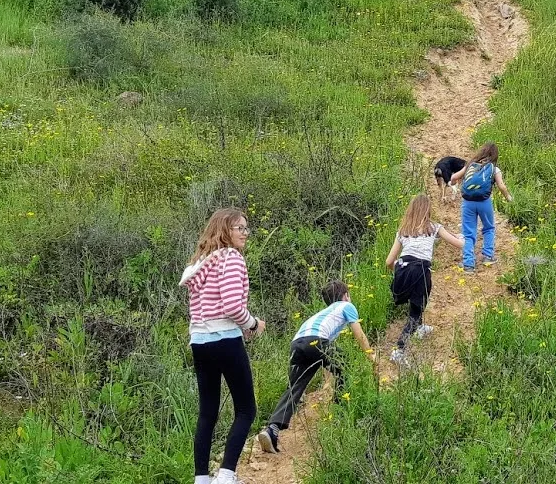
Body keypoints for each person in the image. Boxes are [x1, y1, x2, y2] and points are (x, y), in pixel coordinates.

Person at [181, 208, 265, 484]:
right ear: (224, 230)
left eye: (246, 228)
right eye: (239, 228)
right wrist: (252, 324)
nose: (245, 233)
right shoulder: (231, 258)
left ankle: (202, 478)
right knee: (246, 409)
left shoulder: (201, 263)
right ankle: (227, 475)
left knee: (208, 412)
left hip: (199, 341)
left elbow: (206, 308)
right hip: (225, 340)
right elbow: (231, 305)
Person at [257, 280, 374, 454]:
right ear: (346, 295)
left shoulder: (322, 314)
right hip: (317, 340)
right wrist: (371, 355)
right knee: (347, 366)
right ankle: (341, 413)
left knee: (294, 387)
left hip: (297, 343)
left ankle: (272, 429)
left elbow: (325, 359)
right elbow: (359, 333)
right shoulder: (346, 306)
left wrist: (328, 381)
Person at [384, 194, 463, 364]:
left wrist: (398, 271)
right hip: (420, 270)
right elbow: (458, 244)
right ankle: (399, 349)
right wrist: (464, 237)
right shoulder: (433, 227)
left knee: (415, 303)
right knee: (416, 310)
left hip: (403, 270)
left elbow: (389, 261)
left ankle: (420, 327)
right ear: (428, 210)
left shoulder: (403, 231)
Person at [449, 142, 513, 272]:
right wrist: (509, 198)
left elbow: (454, 177)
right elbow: (501, 186)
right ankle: (488, 256)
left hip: (468, 203)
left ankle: (468, 264)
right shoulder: (494, 168)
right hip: (484, 202)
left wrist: (453, 183)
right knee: (489, 227)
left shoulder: (470, 165)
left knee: (468, 232)